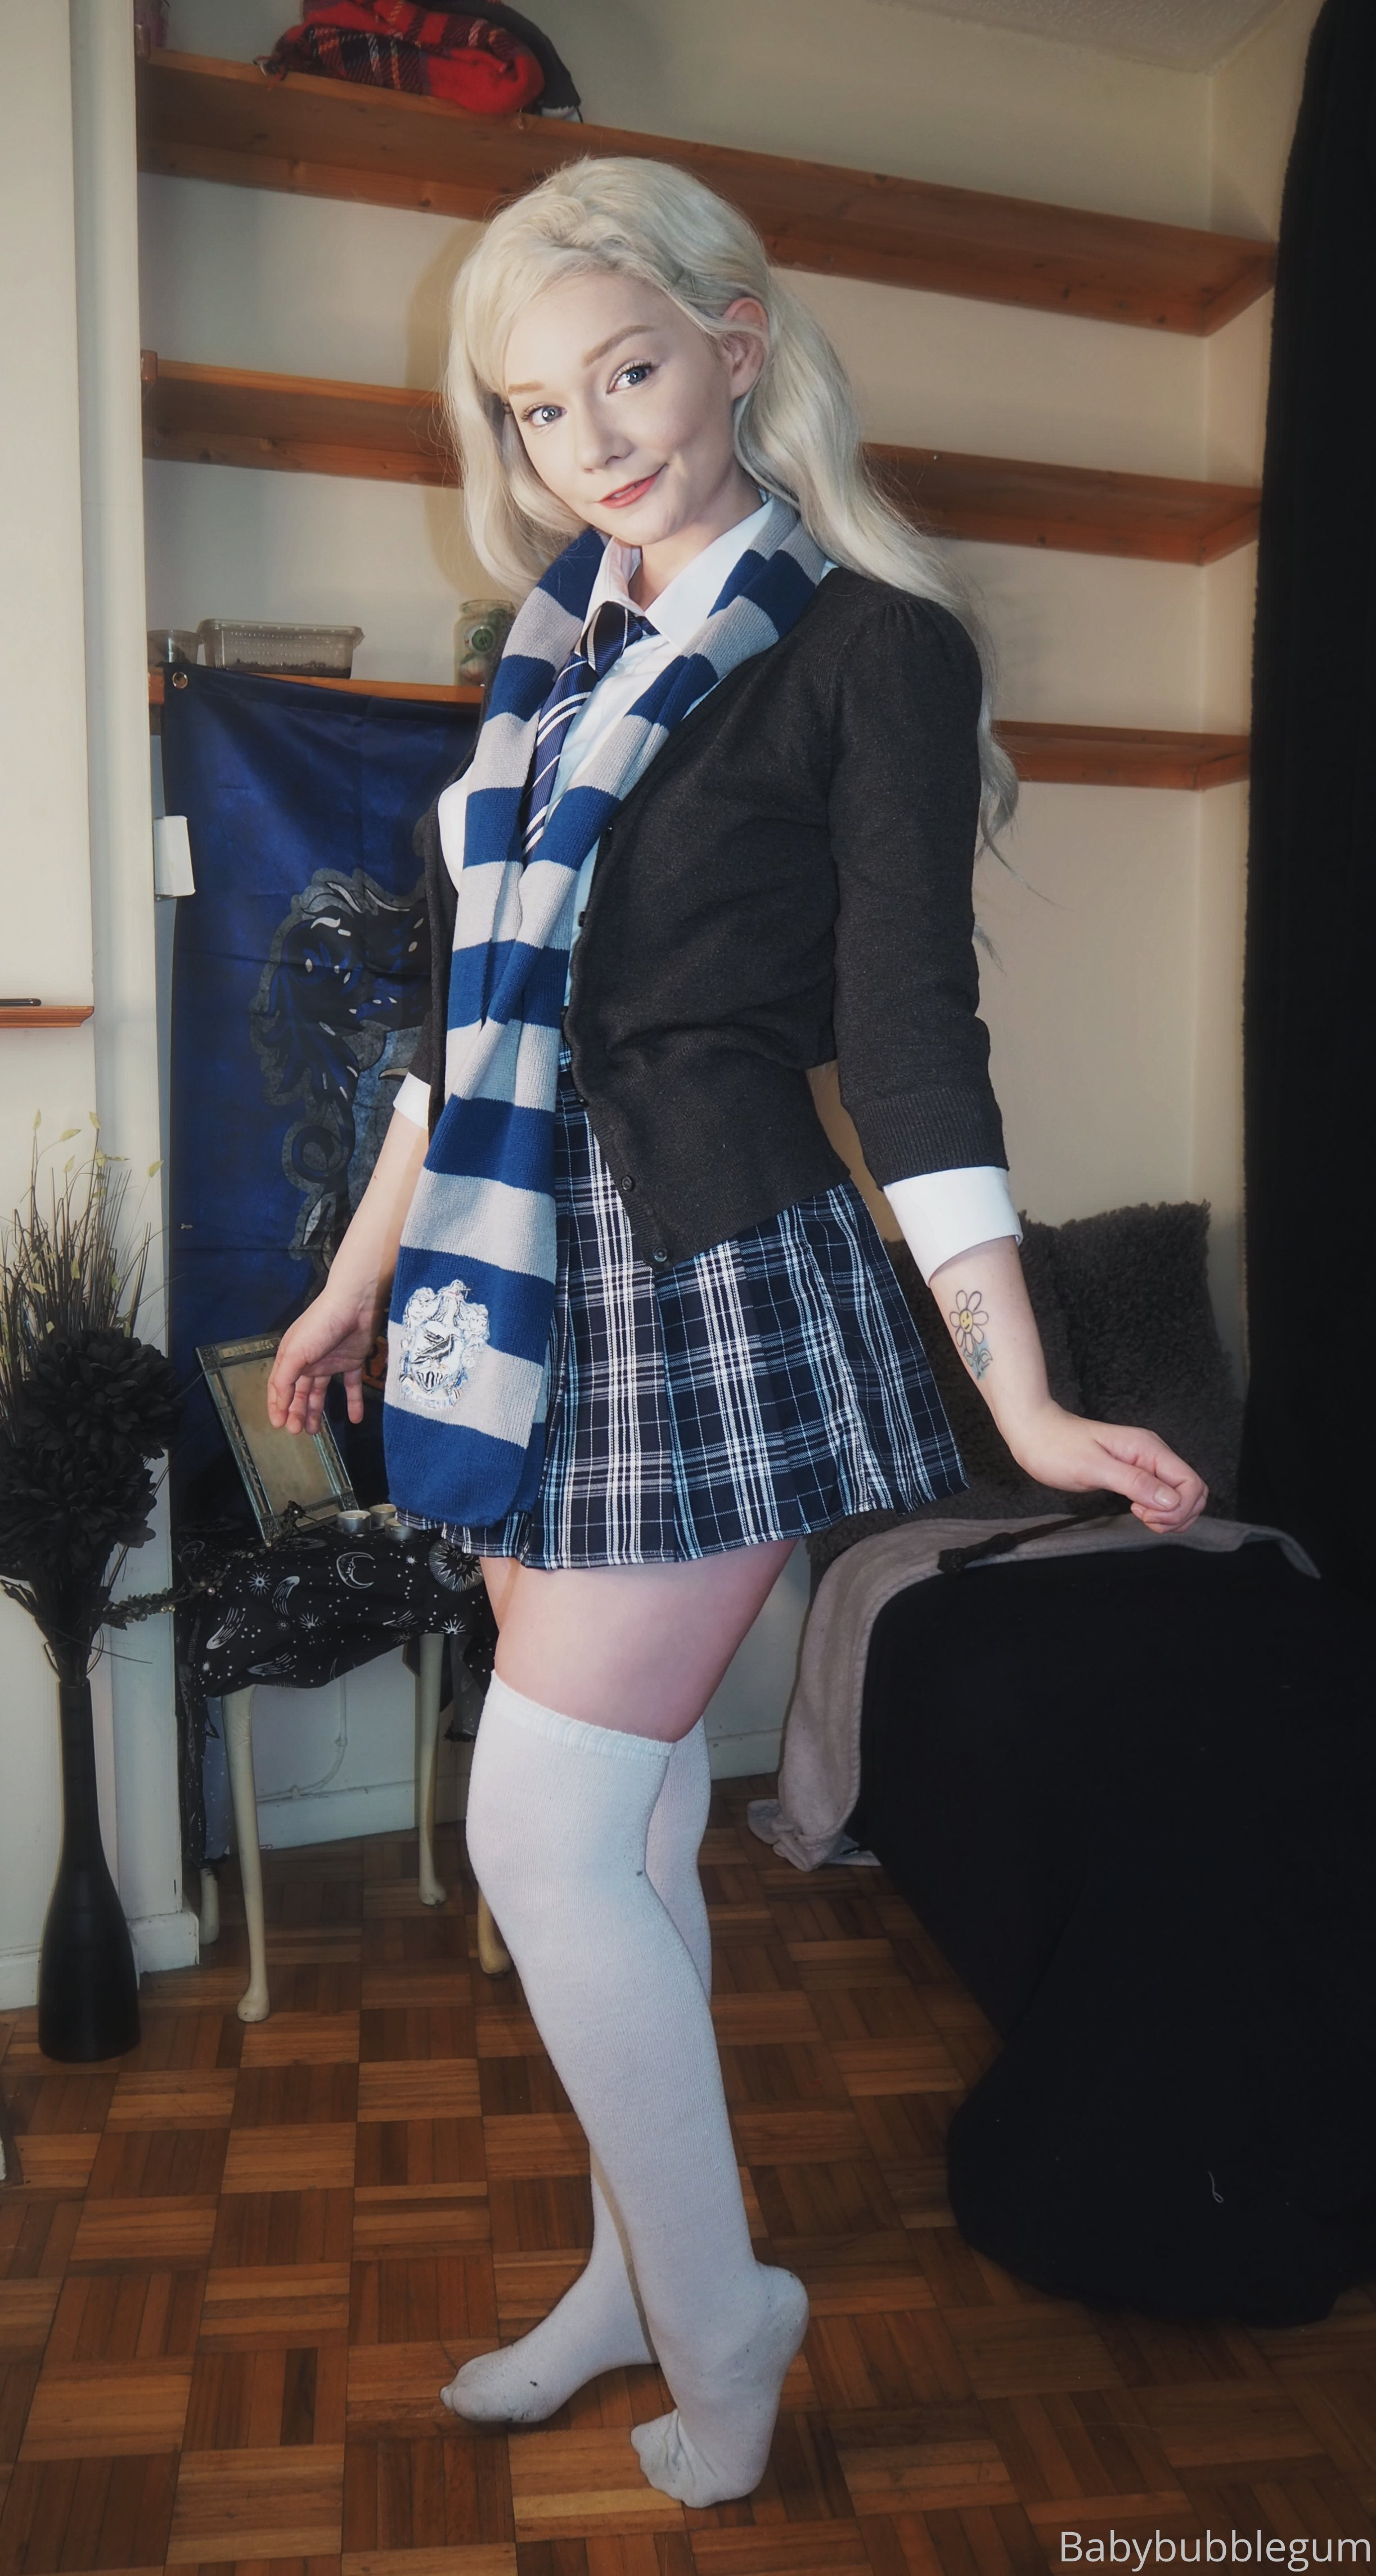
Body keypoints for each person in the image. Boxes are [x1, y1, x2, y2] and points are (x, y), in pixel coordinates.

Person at [267, 155, 1207, 2506]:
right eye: (536, 406)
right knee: (641, 1823)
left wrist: (1023, 1388)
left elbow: (908, 1035)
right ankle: (627, 2271)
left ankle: (726, 2311)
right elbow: (462, 1033)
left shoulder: (874, 645)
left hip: (699, 1267)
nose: (590, 435)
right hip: (511, 1280)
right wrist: (358, 1272)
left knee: (540, 1828)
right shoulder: (546, 665)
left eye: (627, 370)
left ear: (737, 340)